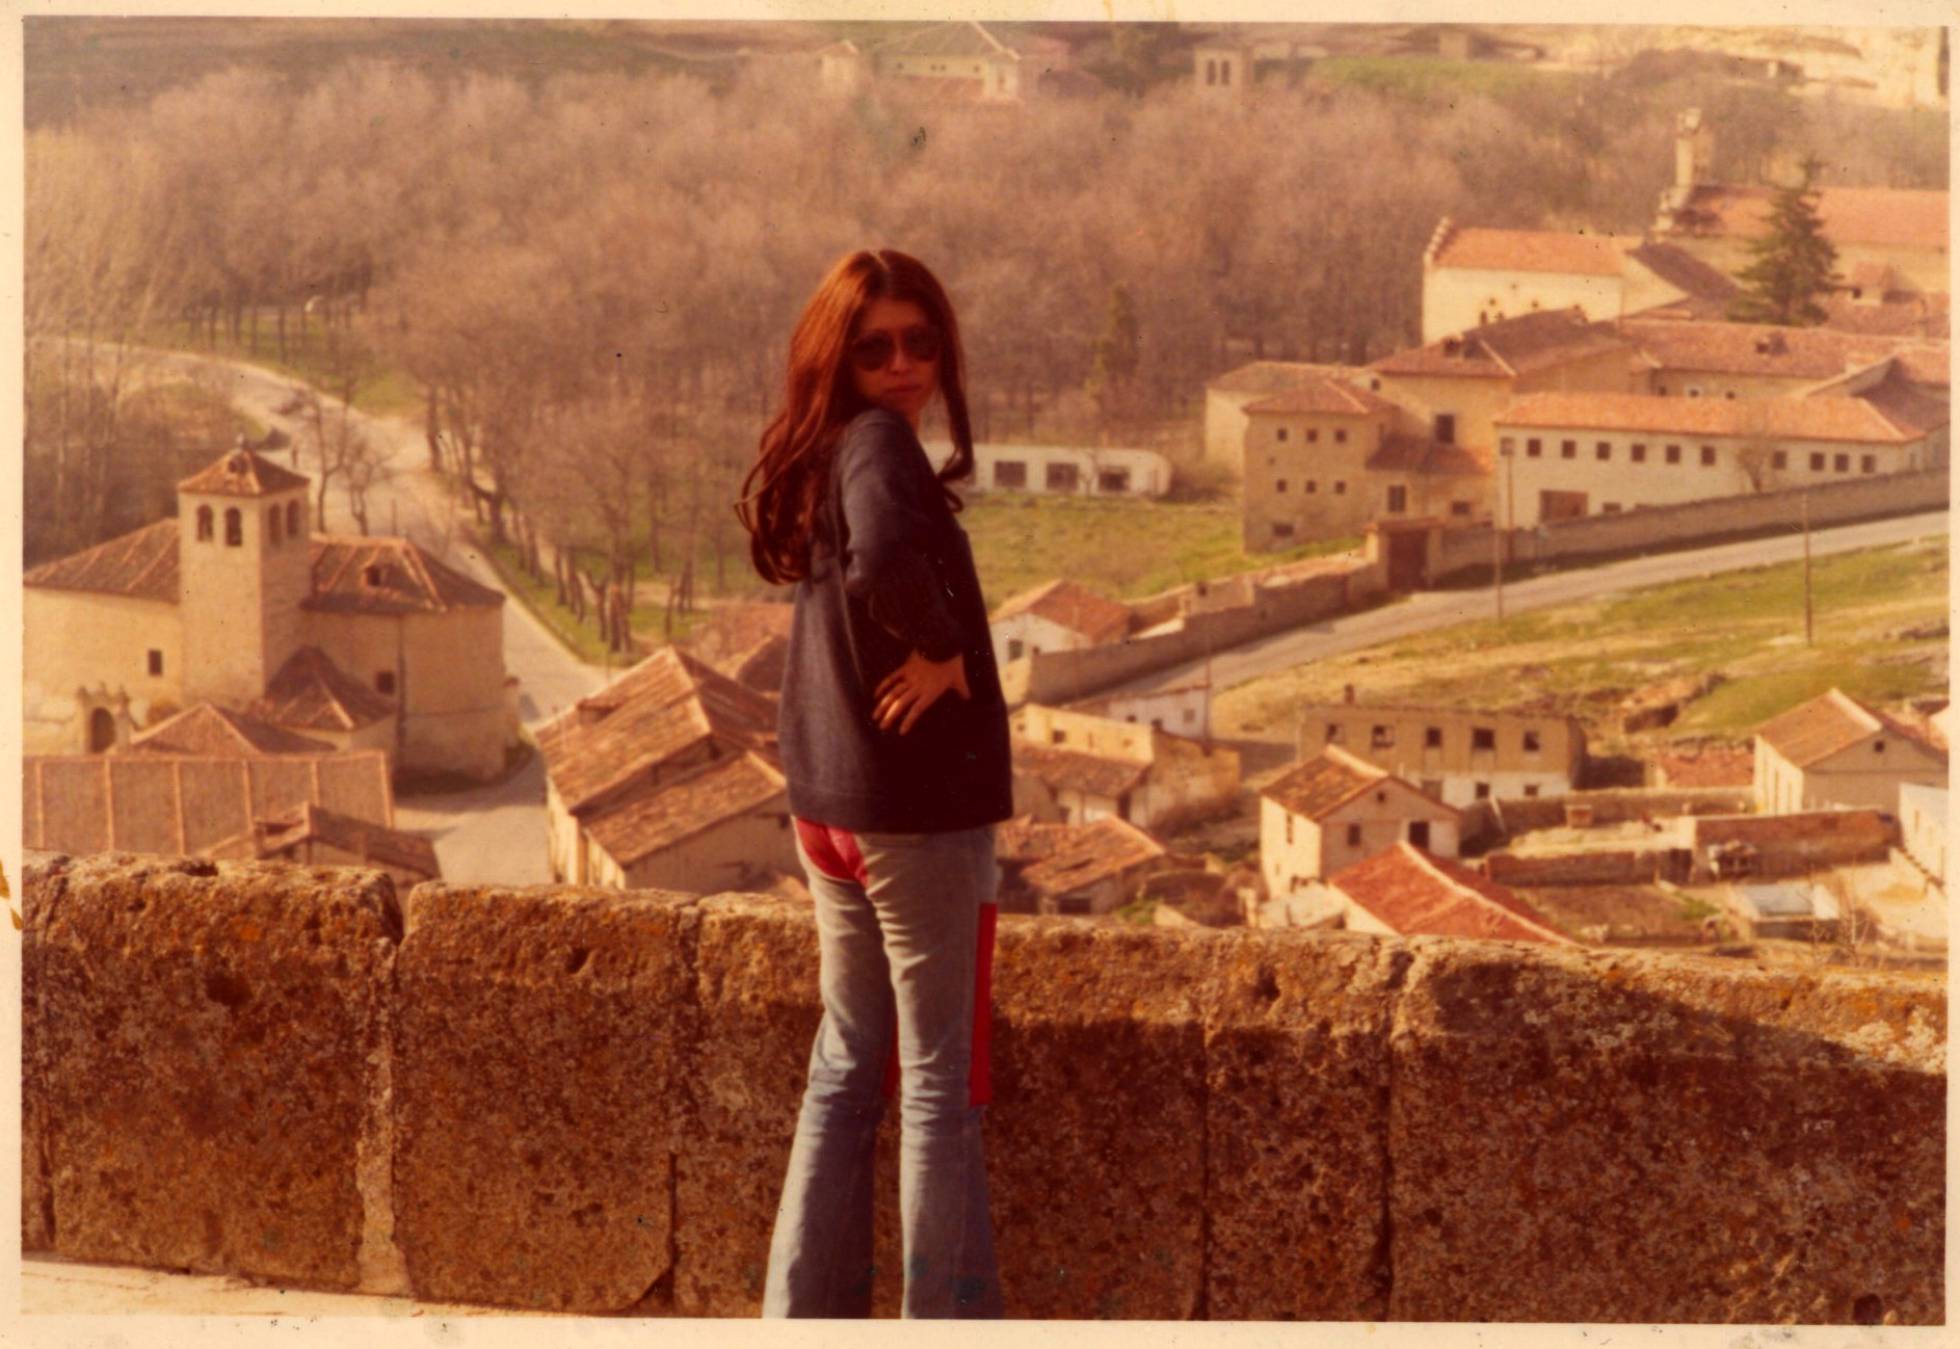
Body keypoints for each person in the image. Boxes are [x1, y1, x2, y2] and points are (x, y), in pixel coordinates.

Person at [735, 248, 1012, 1319]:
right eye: (875, 348)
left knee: (846, 1064)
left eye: (921, 343)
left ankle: (800, 1321)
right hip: (909, 814)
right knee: (937, 1080)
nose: (903, 366)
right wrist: (943, 647)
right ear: (838, 359)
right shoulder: (882, 445)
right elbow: (887, 557)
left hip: (829, 808)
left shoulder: (823, 450)